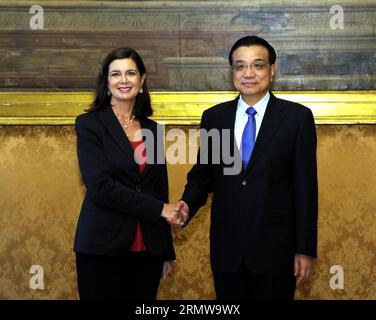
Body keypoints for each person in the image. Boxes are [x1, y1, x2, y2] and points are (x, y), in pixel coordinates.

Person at [175, 36, 318, 300]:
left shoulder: (297, 118)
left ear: (272, 70)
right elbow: (203, 176)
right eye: (240, 66)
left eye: (258, 65)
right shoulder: (214, 117)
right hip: (227, 251)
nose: (248, 74)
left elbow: (306, 189)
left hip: (277, 251)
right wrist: (186, 204)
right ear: (232, 73)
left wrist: (304, 249)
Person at [74, 47, 182, 300]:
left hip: (148, 249)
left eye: (131, 73)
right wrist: (160, 209)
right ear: (106, 81)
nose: (123, 80)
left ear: (142, 80)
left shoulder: (152, 129)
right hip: (102, 246)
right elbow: (99, 186)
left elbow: (158, 189)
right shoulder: (89, 124)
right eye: (116, 74)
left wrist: (165, 250)